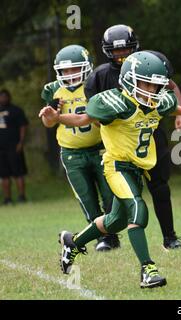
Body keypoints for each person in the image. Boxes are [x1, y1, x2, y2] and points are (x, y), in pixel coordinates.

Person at [39, 51, 181, 288]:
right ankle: (148, 269)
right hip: (116, 166)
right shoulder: (115, 102)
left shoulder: (158, 100)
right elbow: (83, 119)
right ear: (130, 81)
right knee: (137, 208)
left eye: (156, 85)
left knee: (114, 222)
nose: (152, 90)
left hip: (136, 169)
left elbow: (174, 106)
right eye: (147, 84)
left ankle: (72, 242)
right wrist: (58, 117)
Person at [84, 24, 181, 250]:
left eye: (125, 50)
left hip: (149, 136)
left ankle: (169, 237)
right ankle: (109, 238)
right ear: (107, 51)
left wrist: (180, 112)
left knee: (160, 187)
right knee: (115, 193)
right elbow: (92, 113)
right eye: (116, 51)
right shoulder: (99, 76)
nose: (121, 56)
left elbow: (170, 85)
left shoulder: (150, 63)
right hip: (120, 144)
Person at [40, 45, 115, 251]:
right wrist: (49, 116)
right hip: (72, 153)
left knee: (110, 194)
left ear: (86, 67)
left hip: (100, 148)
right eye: (66, 70)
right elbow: (49, 123)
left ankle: (110, 233)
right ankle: (103, 238)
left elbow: (101, 119)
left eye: (75, 69)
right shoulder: (53, 89)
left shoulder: (94, 84)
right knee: (87, 198)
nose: (70, 74)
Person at [0, 89, 28, 204]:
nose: (3, 98)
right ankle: (7, 199)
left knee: (18, 173)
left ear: (9, 97)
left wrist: (21, 142)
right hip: (1, 149)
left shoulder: (16, 110)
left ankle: (22, 197)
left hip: (14, 146)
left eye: (5, 96)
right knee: (4, 175)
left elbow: (23, 126)